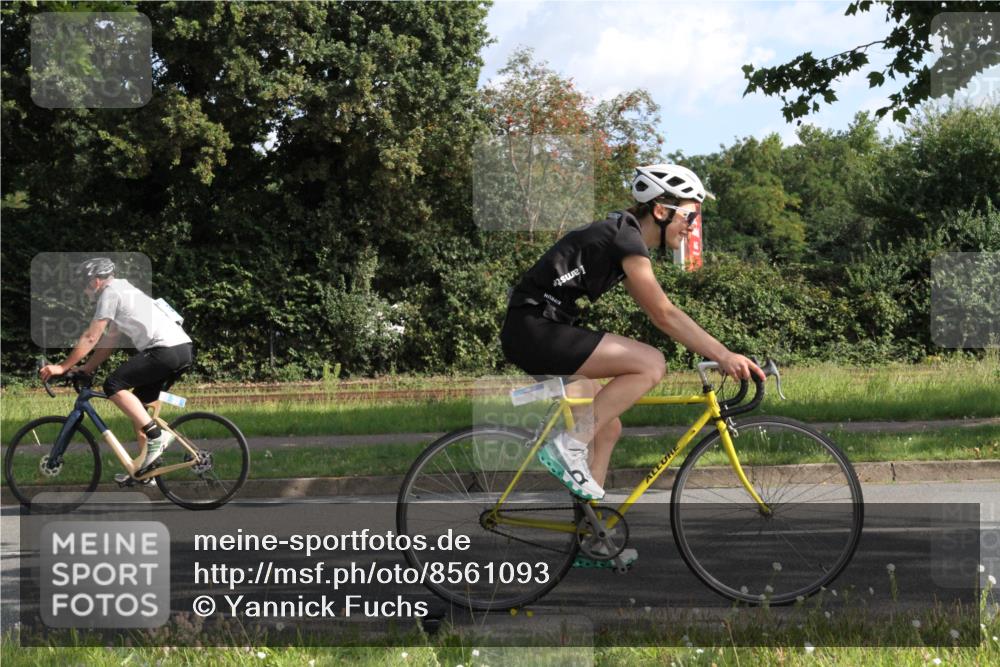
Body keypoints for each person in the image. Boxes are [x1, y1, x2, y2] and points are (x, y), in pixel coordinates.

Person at [501, 163, 765, 509]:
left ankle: (590, 530)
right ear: (660, 211)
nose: (692, 225)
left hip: (536, 330)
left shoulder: (620, 237)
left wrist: (719, 352)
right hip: (535, 330)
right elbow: (663, 314)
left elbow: (658, 310)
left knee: (606, 428)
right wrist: (724, 355)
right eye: (689, 216)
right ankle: (568, 445)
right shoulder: (624, 238)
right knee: (650, 363)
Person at [39, 258, 194, 480]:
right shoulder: (124, 290)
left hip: (164, 350)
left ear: (95, 281)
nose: (83, 290)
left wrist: (62, 367)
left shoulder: (110, 293)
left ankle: (156, 437)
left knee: (113, 385)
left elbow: (91, 337)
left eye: (83, 284)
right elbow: (109, 341)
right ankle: (147, 471)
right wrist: (87, 368)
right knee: (138, 409)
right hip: (181, 348)